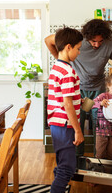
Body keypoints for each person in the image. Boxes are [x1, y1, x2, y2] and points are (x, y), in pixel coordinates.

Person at [45, 19, 112, 158]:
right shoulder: (77, 39)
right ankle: (77, 161)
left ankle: (99, 162)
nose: (97, 45)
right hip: (78, 90)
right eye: (93, 41)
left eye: (100, 41)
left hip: (98, 90)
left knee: (101, 128)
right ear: (86, 37)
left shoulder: (111, 41)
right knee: (77, 126)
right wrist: (64, 63)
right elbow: (48, 40)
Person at [47, 27, 85, 193]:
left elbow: (64, 97)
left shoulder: (58, 66)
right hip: (65, 125)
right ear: (68, 47)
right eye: (78, 49)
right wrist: (78, 130)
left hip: (57, 123)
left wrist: (78, 99)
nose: (79, 53)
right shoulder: (68, 71)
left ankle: (59, 188)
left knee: (63, 162)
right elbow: (67, 104)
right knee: (68, 167)